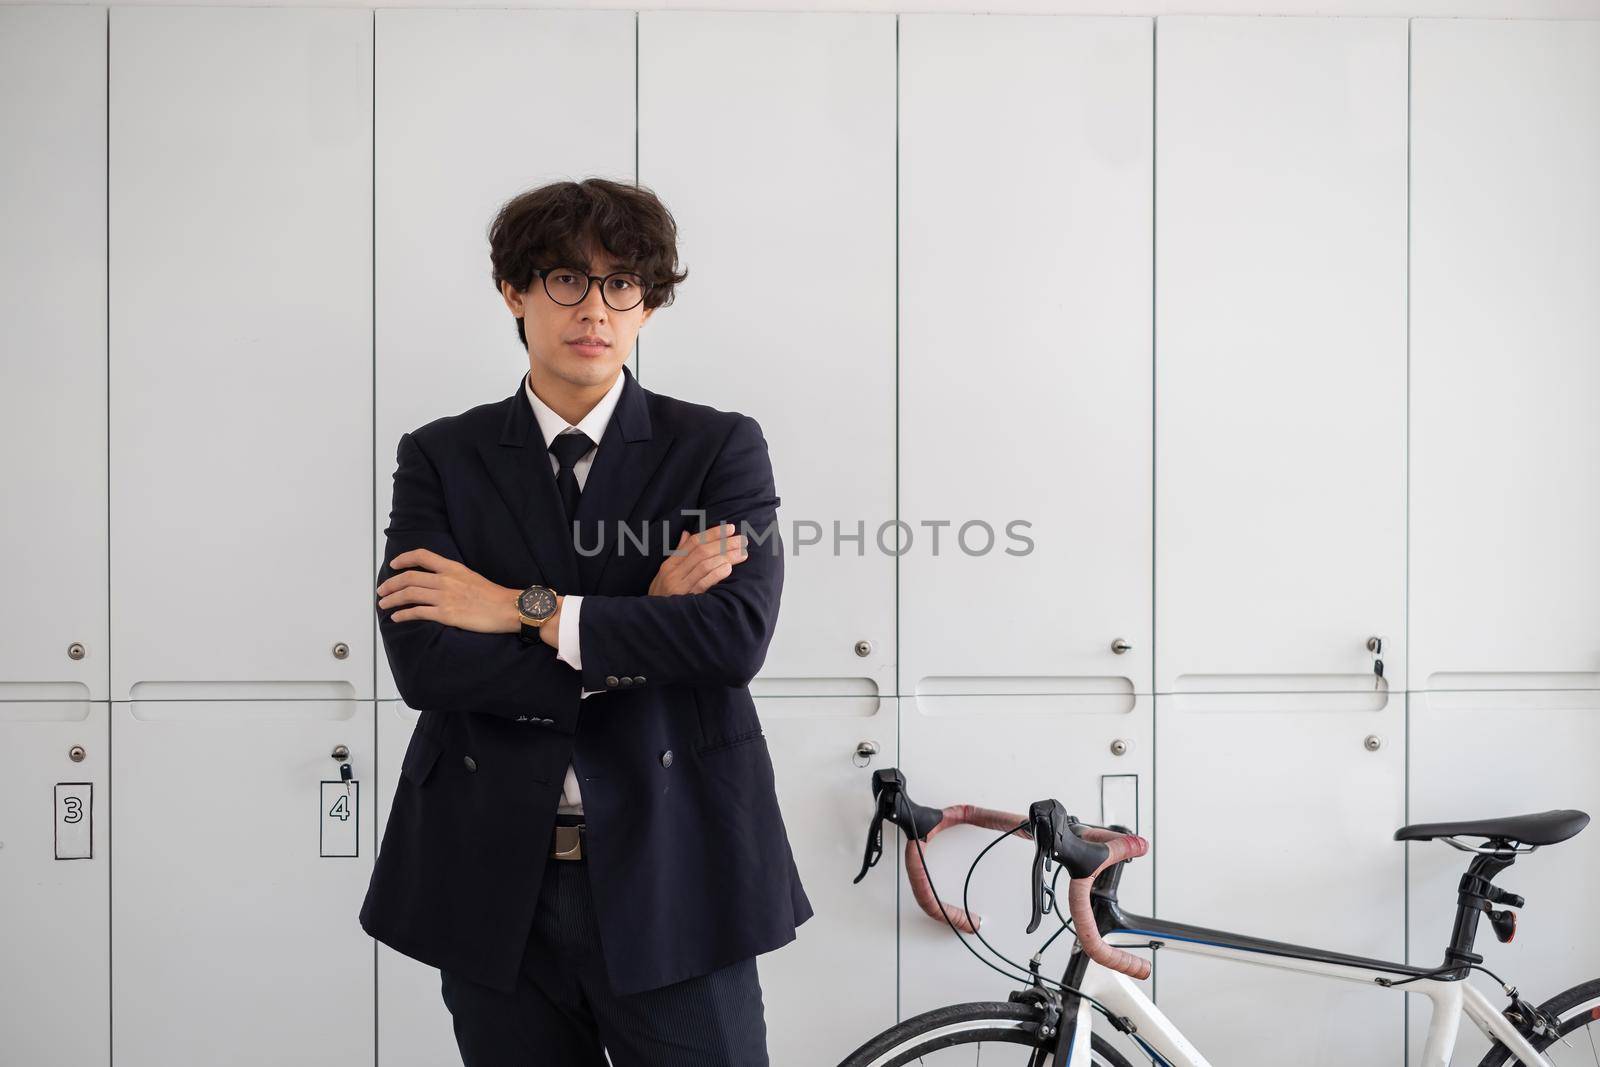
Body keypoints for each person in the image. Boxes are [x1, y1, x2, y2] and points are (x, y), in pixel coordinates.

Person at [358, 177, 811, 1066]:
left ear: (648, 303)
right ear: (514, 294)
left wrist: (515, 608)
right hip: (495, 879)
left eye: (621, 283)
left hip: (678, 868)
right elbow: (426, 663)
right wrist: (641, 624)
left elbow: (731, 641)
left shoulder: (718, 446)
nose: (593, 307)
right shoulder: (442, 455)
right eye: (565, 279)